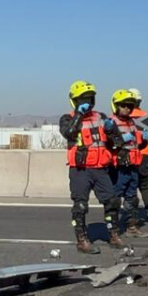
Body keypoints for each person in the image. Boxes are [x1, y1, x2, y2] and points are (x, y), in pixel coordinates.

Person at [59, 80, 124, 255]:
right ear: (74, 100)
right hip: (80, 169)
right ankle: (82, 241)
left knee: (112, 201)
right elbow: (69, 133)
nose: (86, 102)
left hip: (100, 168)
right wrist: (79, 116)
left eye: (89, 98)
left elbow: (117, 142)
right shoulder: (67, 118)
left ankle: (113, 235)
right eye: (82, 99)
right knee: (80, 205)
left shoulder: (101, 117)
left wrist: (112, 131)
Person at [109, 89, 148, 241]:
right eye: (123, 105)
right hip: (119, 167)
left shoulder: (131, 122)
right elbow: (108, 143)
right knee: (115, 197)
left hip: (133, 165)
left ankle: (132, 227)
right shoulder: (111, 123)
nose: (127, 108)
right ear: (116, 106)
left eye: (129, 106)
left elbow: (137, 144)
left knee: (132, 197)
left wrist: (144, 139)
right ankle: (113, 229)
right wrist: (118, 140)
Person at [127, 88, 148, 222]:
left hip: (130, 157)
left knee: (130, 187)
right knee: (146, 186)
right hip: (147, 158)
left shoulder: (123, 118)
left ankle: (132, 216)